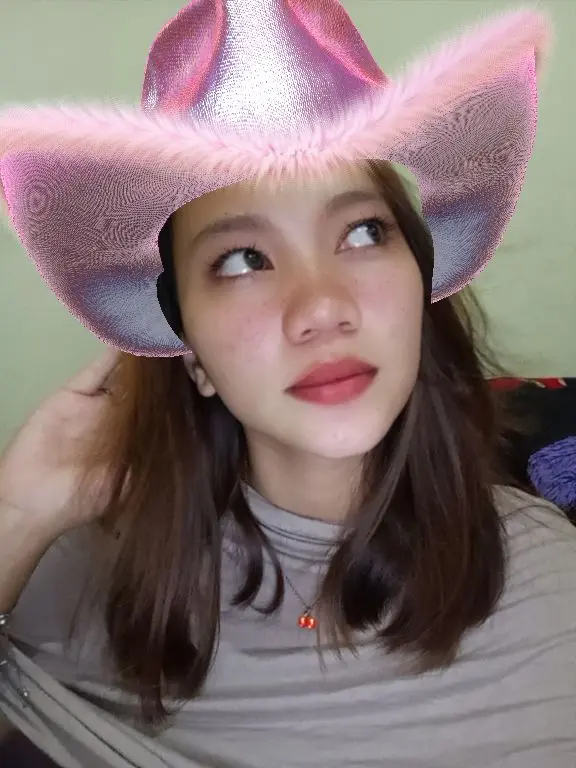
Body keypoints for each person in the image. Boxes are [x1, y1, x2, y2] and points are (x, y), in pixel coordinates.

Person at [0, 1, 574, 767]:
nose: (322, 308)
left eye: (364, 232)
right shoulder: (72, 583)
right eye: (243, 259)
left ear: (419, 284)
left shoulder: (550, 580)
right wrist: (16, 517)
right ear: (190, 353)